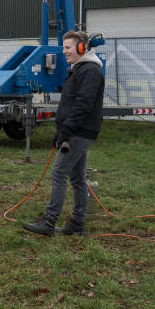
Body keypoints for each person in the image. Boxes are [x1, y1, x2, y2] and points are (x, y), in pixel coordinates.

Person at [23, 30, 105, 236]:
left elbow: (83, 105)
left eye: (67, 48)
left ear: (81, 48)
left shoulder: (90, 72)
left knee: (59, 173)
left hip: (80, 131)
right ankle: (77, 224)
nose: (64, 52)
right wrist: (63, 130)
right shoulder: (78, 70)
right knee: (77, 178)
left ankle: (49, 222)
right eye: (63, 48)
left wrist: (66, 130)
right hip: (75, 131)